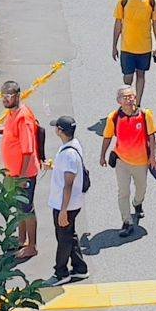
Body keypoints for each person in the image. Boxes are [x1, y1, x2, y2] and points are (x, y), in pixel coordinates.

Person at [99, 87, 156, 238]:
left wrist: (153, 156)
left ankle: (137, 203)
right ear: (119, 101)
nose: (129, 99)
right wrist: (102, 155)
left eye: (131, 96)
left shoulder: (146, 115)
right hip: (122, 161)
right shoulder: (113, 117)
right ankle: (127, 222)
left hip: (141, 162)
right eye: (125, 97)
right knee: (123, 192)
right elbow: (107, 137)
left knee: (141, 189)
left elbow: (152, 137)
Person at [0, 81, 45, 261]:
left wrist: (23, 177)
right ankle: (21, 239)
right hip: (15, 172)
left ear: (18, 95)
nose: (5, 99)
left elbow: (27, 149)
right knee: (19, 207)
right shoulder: (12, 113)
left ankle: (31, 246)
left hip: (24, 173)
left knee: (27, 208)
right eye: (3, 96)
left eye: (9, 95)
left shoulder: (22, 117)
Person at [47, 115, 89, 281]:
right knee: (69, 234)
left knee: (63, 238)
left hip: (65, 205)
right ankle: (80, 267)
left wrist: (63, 210)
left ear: (60, 131)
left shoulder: (68, 154)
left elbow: (69, 183)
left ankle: (61, 272)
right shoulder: (73, 145)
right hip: (69, 203)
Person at [112, 0, 156, 99]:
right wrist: (114, 46)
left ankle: (137, 103)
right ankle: (127, 100)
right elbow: (118, 24)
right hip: (127, 47)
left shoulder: (150, 1)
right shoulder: (123, 1)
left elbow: (155, 23)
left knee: (141, 75)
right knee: (128, 77)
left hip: (144, 47)